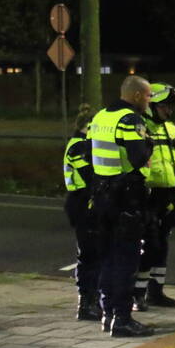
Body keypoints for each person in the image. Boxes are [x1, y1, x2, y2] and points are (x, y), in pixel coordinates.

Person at [88, 75, 155, 338]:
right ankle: (124, 319)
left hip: (101, 195)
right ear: (137, 95)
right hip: (125, 197)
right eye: (148, 96)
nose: (149, 101)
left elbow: (87, 150)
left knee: (106, 258)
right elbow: (138, 158)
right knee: (126, 260)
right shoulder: (131, 120)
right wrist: (149, 144)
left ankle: (107, 315)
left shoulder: (101, 116)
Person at [132, 82, 175, 311]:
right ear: (152, 105)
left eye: (171, 107)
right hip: (149, 196)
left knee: (162, 244)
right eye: (165, 107)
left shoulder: (171, 129)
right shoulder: (140, 128)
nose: (169, 111)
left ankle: (156, 292)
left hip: (170, 196)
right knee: (149, 245)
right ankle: (137, 294)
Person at [63, 103, 100, 322]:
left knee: (94, 254)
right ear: (88, 126)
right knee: (88, 255)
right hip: (81, 202)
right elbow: (89, 176)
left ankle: (92, 299)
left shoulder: (85, 145)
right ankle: (86, 303)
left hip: (86, 202)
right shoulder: (78, 146)